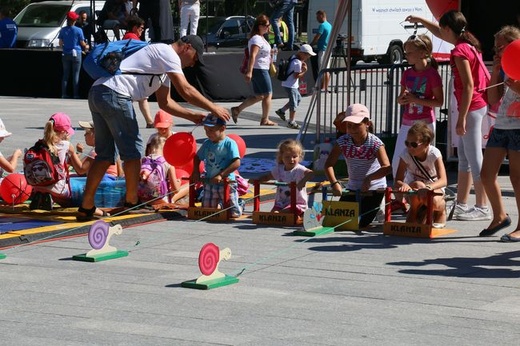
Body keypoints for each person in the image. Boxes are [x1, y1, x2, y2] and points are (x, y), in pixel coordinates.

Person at [77, 35, 230, 221]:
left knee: (105, 155)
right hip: (114, 94)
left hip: (99, 92)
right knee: (133, 152)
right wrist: (213, 107)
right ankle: (131, 203)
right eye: (195, 58)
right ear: (187, 48)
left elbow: (165, 103)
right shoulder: (167, 53)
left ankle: (86, 207)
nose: (192, 64)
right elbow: (186, 90)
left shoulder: (163, 64)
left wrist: (193, 116)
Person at [406, 10, 490, 222]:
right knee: (464, 159)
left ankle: (483, 206)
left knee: (474, 159)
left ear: (447, 29)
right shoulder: (466, 44)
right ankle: (462, 203)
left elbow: (469, 85)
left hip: (470, 108)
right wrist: (421, 20)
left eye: (442, 29)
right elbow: (441, 32)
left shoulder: (460, 51)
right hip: (471, 107)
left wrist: (461, 118)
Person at [479, 26, 520, 240]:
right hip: (503, 123)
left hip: (519, 127)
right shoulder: (505, 65)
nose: (496, 52)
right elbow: (493, 100)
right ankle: (500, 216)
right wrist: (495, 70)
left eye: (500, 47)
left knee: (517, 178)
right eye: (495, 48)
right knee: (486, 174)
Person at [324, 104, 391, 229]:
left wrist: (369, 179)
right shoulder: (343, 141)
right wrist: (334, 183)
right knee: (340, 221)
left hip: (374, 187)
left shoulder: (375, 143)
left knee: (361, 223)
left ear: (367, 124)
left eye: (356, 125)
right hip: (353, 186)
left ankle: (378, 205)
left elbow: (387, 167)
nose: (352, 129)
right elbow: (328, 164)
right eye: (349, 126)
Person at [393, 34, 444, 178]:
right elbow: (400, 97)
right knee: (398, 161)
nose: (406, 56)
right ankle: (401, 196)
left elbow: (439, 102)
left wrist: (417, 99)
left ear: (422, 53)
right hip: (407, 122)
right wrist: (402, 99)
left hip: (425, 123)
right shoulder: (407, 73)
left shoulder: (432, 74)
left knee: (425, 162)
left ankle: (428, 191)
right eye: (405, 53)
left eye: (409, 53)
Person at [394, 121, 448, 228]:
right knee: (418, 185)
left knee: (432, 199)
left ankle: (441, 209)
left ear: (426, 143)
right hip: (414, 186)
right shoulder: (405, 154)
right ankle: (414, 210)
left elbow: (443, 180)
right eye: (407, 143)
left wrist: (428, 187)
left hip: (432, 186)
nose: (410, 147)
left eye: (414, 144)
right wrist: (403, 184)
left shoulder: (434, 153)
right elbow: (398, 180)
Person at [29, 113, 86, 210]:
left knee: (48, 189)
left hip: (36, 186)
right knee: (73, 200)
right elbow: (80, 170)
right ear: (64, 131)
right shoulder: (66, 145)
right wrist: (94, 158)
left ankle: (42, 195)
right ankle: (52, 197)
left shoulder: (39, 144)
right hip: (58, 189)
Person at [192, 114, 242, 218]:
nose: (207, 133)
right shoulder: (207, 143)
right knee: (207, 211)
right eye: (206, 130)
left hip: (227, 182)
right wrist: (196, 171)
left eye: (211, 130)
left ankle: (240, 203)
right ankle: (219, 204)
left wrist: (221, 175)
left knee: (234, 214)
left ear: (222, 128)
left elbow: (236, 162)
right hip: (210, 182)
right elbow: (197, 157)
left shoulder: (229, 143)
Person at [231, 15, 276, 126]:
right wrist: (249, 72)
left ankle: (237, 109)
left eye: (268, 25)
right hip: (259, 69)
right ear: (259, 26)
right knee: (268, 94)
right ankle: (265, 119)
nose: (268, 27)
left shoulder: (261, 38)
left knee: (259, 96)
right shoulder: (256, 39)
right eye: (266, 25)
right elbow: (252, 55)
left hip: (261, 68)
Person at [258, 139, 314, 218]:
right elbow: (268, 176)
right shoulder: (279, 169)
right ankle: (283, 214)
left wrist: (303, 181)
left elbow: (310, 173)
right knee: (274, 213)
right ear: (281, 157)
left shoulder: (299, 169)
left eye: (294, 157)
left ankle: (295, 215)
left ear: (299, 156)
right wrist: (257, 180)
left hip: (297, 203)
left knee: (285, 212)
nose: (291, 159)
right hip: (281, 202)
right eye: (287, 157)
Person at [275, 44, 316, 129]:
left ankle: (281, 111)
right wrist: (304, 71)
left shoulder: (294, 57)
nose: (308, 57)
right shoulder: (297, 62)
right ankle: (291, 121)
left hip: (289, 84)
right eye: (307, 55)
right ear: (302, 53)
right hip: (291, 85)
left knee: (298, 99)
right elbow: (296, 76)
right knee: (294, 103)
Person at [123, 16, 154, 127]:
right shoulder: (131, 37)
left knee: (141, 97)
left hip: (131, 72)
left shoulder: (128, 36)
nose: (142, 30)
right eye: (141, 28)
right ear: (135, 27)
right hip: (132, 72)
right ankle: (146, 121)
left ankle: (149, 121)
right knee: (140, 97)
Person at [138, 135, 183, 205]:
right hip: (161, 201)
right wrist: (178, 183)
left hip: (142, 199)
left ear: (150, 148)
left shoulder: (143, 161)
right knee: (187, 186)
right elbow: (175, 190)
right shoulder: (167, 163)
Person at [58, 11, 88, 99]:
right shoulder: (79, 30)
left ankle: (64, 94)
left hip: (66, 53)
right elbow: (82, 43)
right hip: (77, 53)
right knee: (76, 75)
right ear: (75, 20)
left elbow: (60, 43)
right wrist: (86, 46)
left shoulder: (63, 30)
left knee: (65, 75)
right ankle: (76, 94)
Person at [309, 10, 332, 92]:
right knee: (327, 69)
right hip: (328, 49)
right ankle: (325, 87)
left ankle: (322, 87)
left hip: (322, 49)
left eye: (318, 17)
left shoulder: (322, 26)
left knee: (322, 68)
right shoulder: (329, 25)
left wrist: (310, 45)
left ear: (322, 16)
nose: (317, 19)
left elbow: (317, 37)